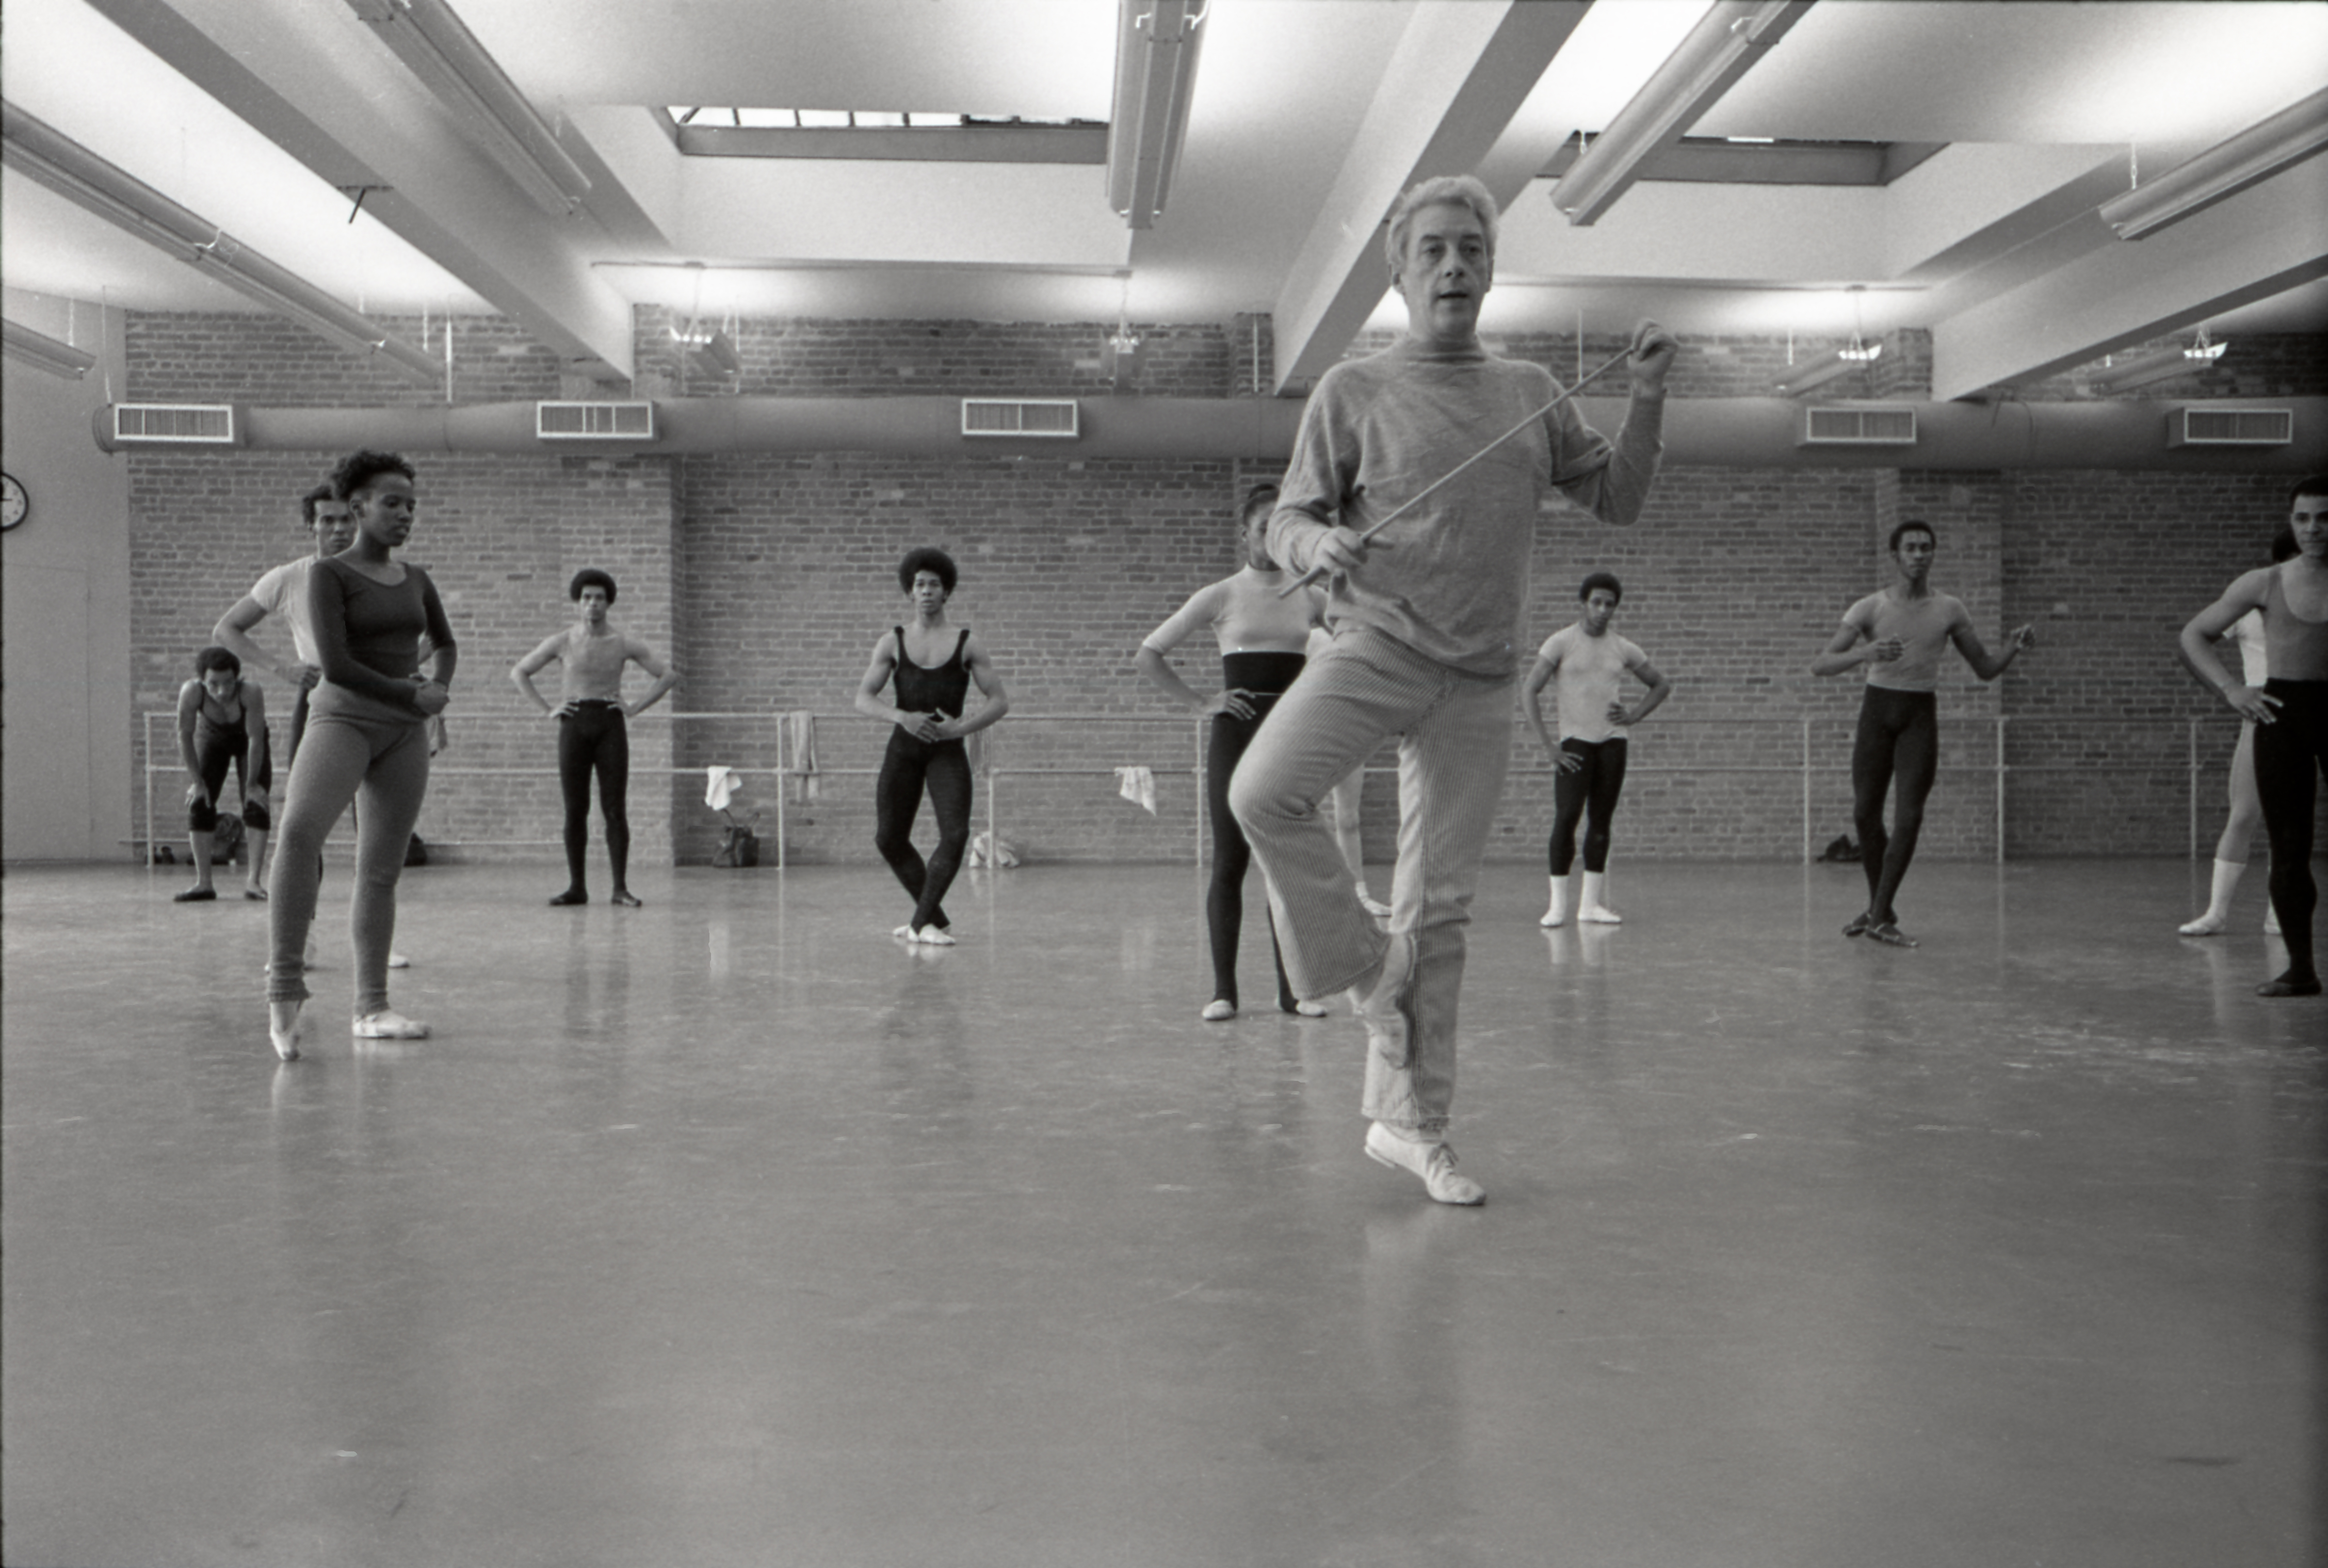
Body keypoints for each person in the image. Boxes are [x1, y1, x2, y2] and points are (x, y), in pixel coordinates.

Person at [1230, 174, 1676, 1205]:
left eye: (1470, 249)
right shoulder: (1352, 391)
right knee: (1263, 792)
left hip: (1479, 681)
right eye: (1431, 249)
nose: (1453, 267)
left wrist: (1647, 396)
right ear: (1398, 269)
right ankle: (1365, 971)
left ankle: (1415, 1127)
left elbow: (1620, 498)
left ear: (1491, 266)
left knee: (1444, 913)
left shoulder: (1528, 391)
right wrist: (1316, 536)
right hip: (1373, 645)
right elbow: (1290, 518)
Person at [264, 450, 456, 1059]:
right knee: (298, 833)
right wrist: (411, 691)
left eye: (411, 505)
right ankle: (285, 987)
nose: (405, 515)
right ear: (358, 508)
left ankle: (371, 1007)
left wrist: (439, 693)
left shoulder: (417, 579)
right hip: (342, 717)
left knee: (380, 869)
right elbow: (339, 663)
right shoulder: (330, 575)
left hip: (402, 733)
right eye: (392, 503)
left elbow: (445, 643)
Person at [1137, 482, 1331, 1022]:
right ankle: (1224, 990)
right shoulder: (1221, 594)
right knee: (1231, 861)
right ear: (1245, 532)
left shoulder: (1311, 593)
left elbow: (1355, 638)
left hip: (1288, 740)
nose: (1272, 536)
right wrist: (1202, 702)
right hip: (1236, 736)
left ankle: (1293, 990)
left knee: (1283, 866)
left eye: (1281, 525)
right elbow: (1149, 653)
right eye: (1264, 525)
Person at [1812, 520, 2034, 948]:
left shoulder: (1950, 609)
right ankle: (1882, 911)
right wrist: (1866, 652)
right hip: (1877, 711)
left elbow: (1985, 669)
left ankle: (1878, 915)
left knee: (1909, 815)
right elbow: (1820, 664)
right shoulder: (1870, 608)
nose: (1918, 555)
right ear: (1895, 556)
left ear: (1933, 555)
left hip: (1918, 714)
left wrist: (2013, 647)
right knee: (1864, 813)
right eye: (1910, 548)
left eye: (1926, 548)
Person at [214, 483, 408, 969]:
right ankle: (303, 938)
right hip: (323, 702)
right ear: (312, 527)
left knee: (378, 827)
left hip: (382, 701)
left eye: (347, 519)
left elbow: (419, 641)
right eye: (328, 521)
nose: (339, 529)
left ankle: (377, 942)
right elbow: (228, 629)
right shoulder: (289, 578)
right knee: (304, 825)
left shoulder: (385, 574)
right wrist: (284, 669)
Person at [2177, 477, 2328, 998]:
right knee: (2289, 844)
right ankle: (2301, 970)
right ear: (2292, 522)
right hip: (2282, 712)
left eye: (2324, 518)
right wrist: (2230, 690)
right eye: (2304, 518)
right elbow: (2193, 634)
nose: (2313, 528)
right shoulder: (2263, 583)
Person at [852, 548, 1010, 945]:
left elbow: (999, 700)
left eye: (934, 585)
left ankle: (921, 924)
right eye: (919, 584)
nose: (926, 591)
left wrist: (959, 730)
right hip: (903, 749)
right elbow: (864, 697)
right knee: (888, 837)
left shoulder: (968, 642)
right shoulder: (892, 641)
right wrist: (901, 716)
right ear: (910, 591)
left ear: (947, 592)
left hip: (946, 750)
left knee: (955, 834)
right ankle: (930, 919)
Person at [512, 569, 680, 908]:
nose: (593, 604)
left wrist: (634, 708)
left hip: (609, 725)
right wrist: (548, 709)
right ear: (579, 602)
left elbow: (667, 675)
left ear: (608, 603)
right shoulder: (562, 641)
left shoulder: (622, 642)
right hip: (573, 725)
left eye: (599, 598)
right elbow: (520, 671)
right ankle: (577, 887)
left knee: (614, 809)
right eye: (587, 598)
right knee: (576, 809)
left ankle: (620, 887)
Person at [1523, 571, 1673, 927]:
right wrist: (1548, 746)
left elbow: (1661, 684)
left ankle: (1590, 905)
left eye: (1610, 604)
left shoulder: (1623, 647)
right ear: (1583, 603)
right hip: (1574, 743)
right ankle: (1558, 906)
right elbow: (1529, 690)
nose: (1603, 610)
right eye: (1597, 602)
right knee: (1567, 817)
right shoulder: (1560, 642)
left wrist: (1633, 715)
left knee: (1601, 821)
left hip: (1612, 743)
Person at [2179, 527, 2298, 936]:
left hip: (2310, 709)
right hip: (2264, 713)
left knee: (2289, 821)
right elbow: (2194, 644)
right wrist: (2231, 691)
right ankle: (2217, 911)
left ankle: (2279, 911)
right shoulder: (2252, 604)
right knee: (2245, 812)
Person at [171, 646, 271, 901]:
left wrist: (251, 785)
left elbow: (256, 739)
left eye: (228, 683)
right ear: (202, 681)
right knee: (200, 804)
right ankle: (204, 883)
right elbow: (184, 736)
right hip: (213, 740)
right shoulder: (191, 692)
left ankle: (253, 883)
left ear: (237, 679)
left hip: (248, 742)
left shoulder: (251, 692)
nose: (222, 691)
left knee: (256, 804)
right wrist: (197, 783)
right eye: (214, 685)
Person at [1310, 623, 1393, 922]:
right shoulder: (1311, 638)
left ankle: (1359, 894)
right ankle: (1317, 892)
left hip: (1349, 733)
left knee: (1349, 817)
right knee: (1307, 815)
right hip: (1313, 733)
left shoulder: (1360, 639)